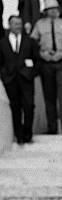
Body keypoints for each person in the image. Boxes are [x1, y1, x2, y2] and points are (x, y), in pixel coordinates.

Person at [30, 0, 62, 135]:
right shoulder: (39, 24)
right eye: (50, 10)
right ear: (45, 11)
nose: (52, 12)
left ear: (58, 10)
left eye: (55, 9)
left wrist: (61, 54)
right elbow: (32, 44)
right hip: (46, 63)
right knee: (49, 97)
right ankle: (52, 128)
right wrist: (42, 53)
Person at [0, 15, 38, 144]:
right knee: (15, 108)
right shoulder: (2, 43)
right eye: (15, 24)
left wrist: (31, 73)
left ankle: (28, 134)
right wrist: (4, 75)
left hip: (26, 79)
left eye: (19, 23)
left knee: (29, 106)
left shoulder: (30, 41)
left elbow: (37, 60)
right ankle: (19, 136)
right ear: (9, 25)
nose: (18, 26)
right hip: (10, 80)